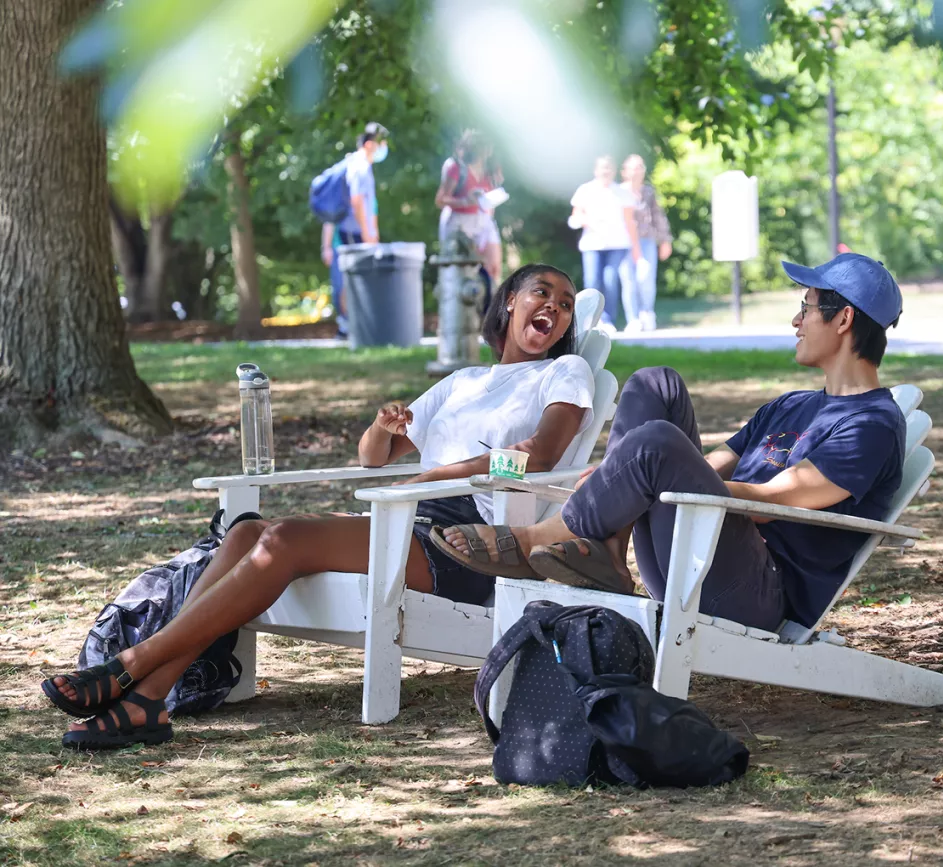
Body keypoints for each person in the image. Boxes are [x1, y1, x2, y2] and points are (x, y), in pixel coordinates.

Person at [42, 264, 594, 750]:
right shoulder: (463, 382)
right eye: (542, 293)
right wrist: (383, 426)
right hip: (409, 517)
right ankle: (148, 701)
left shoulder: (563, 373)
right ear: (509, 304)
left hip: (474, 545)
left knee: (281, 540)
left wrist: (446, 473)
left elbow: (538, 461)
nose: (555, 307)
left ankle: (131, 665)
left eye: (566, 304)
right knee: (245, 533)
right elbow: (373, 457)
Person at [432, 253, 906, 635]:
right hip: (691, 558)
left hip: (755, 593)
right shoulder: (789, 405)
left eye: (805, 306)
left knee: (657, 442)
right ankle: (610, 555)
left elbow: (770, 502)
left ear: (843, 319)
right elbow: (707, 466)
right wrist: (628, 471)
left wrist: (647, 467)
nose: (795, 320)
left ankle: (533, 540)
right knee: (655, 384)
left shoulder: (872, 426)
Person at [322, 122, 388, 338]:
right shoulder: (359, 166)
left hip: (358, 230)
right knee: (351, 278)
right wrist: (367, 231)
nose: (383, 148)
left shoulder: (361, 166)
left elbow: (370, 205)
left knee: (357, 278)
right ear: (370, 145)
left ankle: (354, 324)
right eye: (380, 144)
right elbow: (357, 201)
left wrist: (372, 229)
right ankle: (347, 326)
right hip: (353, 231)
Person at [569, 155, 640, 332]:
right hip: (592, 244)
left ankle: (607, 320)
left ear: (614, 170)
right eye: (602, 167)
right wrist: (588, 221)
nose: (605, 171)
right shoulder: (585, 190)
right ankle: (590, 321)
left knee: (610, 279)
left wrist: (635, 247)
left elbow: (630, 221)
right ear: (595, 170)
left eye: (609, 167)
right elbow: (576, 214)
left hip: (617, 245)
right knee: (592, 280)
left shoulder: (622, 193)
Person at [436, 129, 504, 286]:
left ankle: (491, 306)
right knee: (461, 270)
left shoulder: (490, 169)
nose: (488, 150)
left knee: (493, 267)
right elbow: (440, 200)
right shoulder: (457, 168)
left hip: (483, 220)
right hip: (459, 222)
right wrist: (466, 201)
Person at [617, 155, 673, 332]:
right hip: (623, 242)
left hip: (647, 240)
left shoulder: (648, 192)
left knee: (646, 278)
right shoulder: (618, 192)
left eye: (640, 167)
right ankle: (633, 319)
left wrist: (665, 240)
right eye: (633, 167)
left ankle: (647, 313)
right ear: (624, 171)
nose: (637, 171)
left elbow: (658, 216)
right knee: (629, 281)